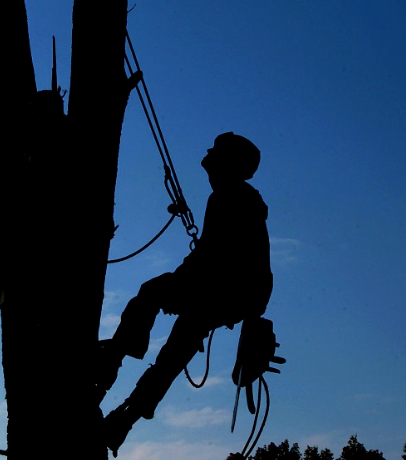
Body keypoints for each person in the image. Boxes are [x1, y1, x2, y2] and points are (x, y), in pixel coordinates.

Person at [97, 132, 274, 456]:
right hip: (241, 293)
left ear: (228, 163)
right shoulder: (239, 197)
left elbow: (210, 256)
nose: (207, 153)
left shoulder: (228, 197)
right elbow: (214, 255)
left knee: (152, 293)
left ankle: (109, 368)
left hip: (227, 288)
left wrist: (179, 285)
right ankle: (126, 418)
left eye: (215, 152)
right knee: (178, 347)